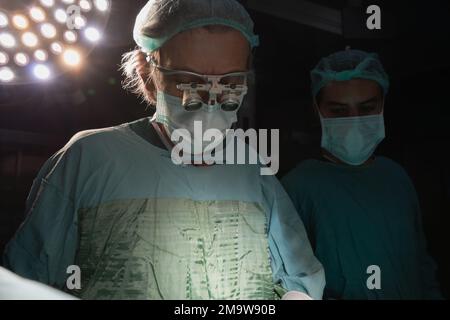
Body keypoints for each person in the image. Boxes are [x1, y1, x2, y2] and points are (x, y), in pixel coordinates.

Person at [3, 0, 324, 300]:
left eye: (229, 81)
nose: (211, 98)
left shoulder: (250, 165)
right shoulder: (91, 158)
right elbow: (26, 282)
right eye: (188, 80)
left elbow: (300, 279)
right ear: (147, 74)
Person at [282, 49, 442, 299]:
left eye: (367, 108)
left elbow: (420, 265)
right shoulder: (298, 187)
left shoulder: (396, 177)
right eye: (338, 111)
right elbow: (286, 282)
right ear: (318, 111)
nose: (354, 121)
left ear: (382, 106)